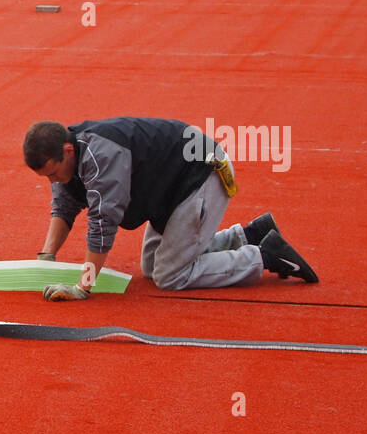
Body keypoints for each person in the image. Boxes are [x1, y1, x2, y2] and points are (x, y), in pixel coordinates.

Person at [23, 117, 317, 301]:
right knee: (152, 268)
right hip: (171, 186)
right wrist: (47, 256)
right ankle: (251, 234)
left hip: (201, 174)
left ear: (67, 151)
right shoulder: (69, 153)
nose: (52, 181)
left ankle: (264, 256)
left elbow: (102, 226)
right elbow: (64, 205)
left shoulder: (101, 159)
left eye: (52, 172)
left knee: (172, 276)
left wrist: (83, 287)